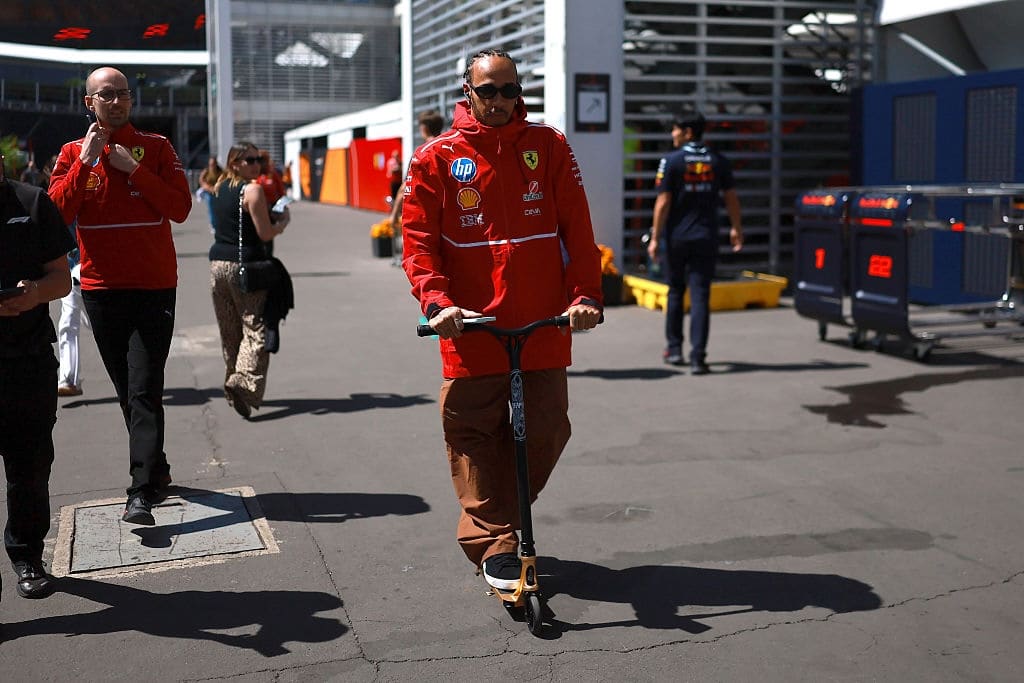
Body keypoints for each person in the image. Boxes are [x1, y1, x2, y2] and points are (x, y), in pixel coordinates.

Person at [402, 48, 603, 590]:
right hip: (469, 327)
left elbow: (578, 229)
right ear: (466, 92)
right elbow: (418, 245)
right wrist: (438, 304)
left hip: (543, 325)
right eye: (487, 91)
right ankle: (494, 541)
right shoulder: (435, 158)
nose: (498, 101)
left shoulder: (549, 145)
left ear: (520, 93)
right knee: (470, 431)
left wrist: (586, 296)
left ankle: (501, 523)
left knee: (548, 427)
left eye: (509, 90)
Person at [48, 66, 192, 526]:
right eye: (106, 95)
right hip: (101, 290)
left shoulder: (156, 147)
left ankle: (140, 491)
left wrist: (134, 170)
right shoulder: (72, 153)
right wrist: (87, 162)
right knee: (129, 391)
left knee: (145, 388)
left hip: (154, 287)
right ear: (88, 103)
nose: (116, 101)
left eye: (123, 94)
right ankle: (157, 467)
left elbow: (181, 208)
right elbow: (55, 216)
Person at [0, 173, 75, 600]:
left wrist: (33, 294)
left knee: (29, 468)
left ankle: (27, 555)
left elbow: (62, 279)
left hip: (27, 361)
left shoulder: (32, 203)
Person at [647, 110, 743, 375]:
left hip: (677, 238)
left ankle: (674, 349)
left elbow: (663, 202)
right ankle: (698, 358)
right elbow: (731, 197)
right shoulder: (718, 160)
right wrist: (736, 228)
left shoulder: (671, 161)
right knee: (700, 295)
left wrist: (655, 237)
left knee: (676, 291)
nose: (672, 134)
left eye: (675, 129)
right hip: (706, 237)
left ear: (688, 132)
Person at [208, 141, 290, 419]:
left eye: (259, 160)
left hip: (217, 265)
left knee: (230, 330)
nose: (257, 165)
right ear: (235, 163)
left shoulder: (218, 187)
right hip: (246, 267)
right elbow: (265, 233)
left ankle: (233, 381)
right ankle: (242, 385)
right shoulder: (252, 190)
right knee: (255, 327)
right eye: (250, 160)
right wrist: (282, 223)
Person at [388, 109, 445, 265]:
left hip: (426, 220)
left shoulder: (423, 154)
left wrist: (394, 214)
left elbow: (405, 187)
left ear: (424, 128)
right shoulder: (451, 149)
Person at [56, 225, 86, 396]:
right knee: (67, 322)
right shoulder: (51, 211)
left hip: (93, 272)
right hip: (69, 274)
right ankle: (68, 380)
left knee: (99, 324)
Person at [197, 155, 223, 233]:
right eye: (211, 164)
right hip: (208, 192)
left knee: (219, 208)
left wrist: (217, 187)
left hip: (217, 191)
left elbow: (223, 180)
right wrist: (208, 187)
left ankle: (219, 223)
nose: (212, 166)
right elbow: (201, 180)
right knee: (211, 207)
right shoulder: (206, 171)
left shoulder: (220, 171)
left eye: (213, 164)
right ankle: (213, 224)